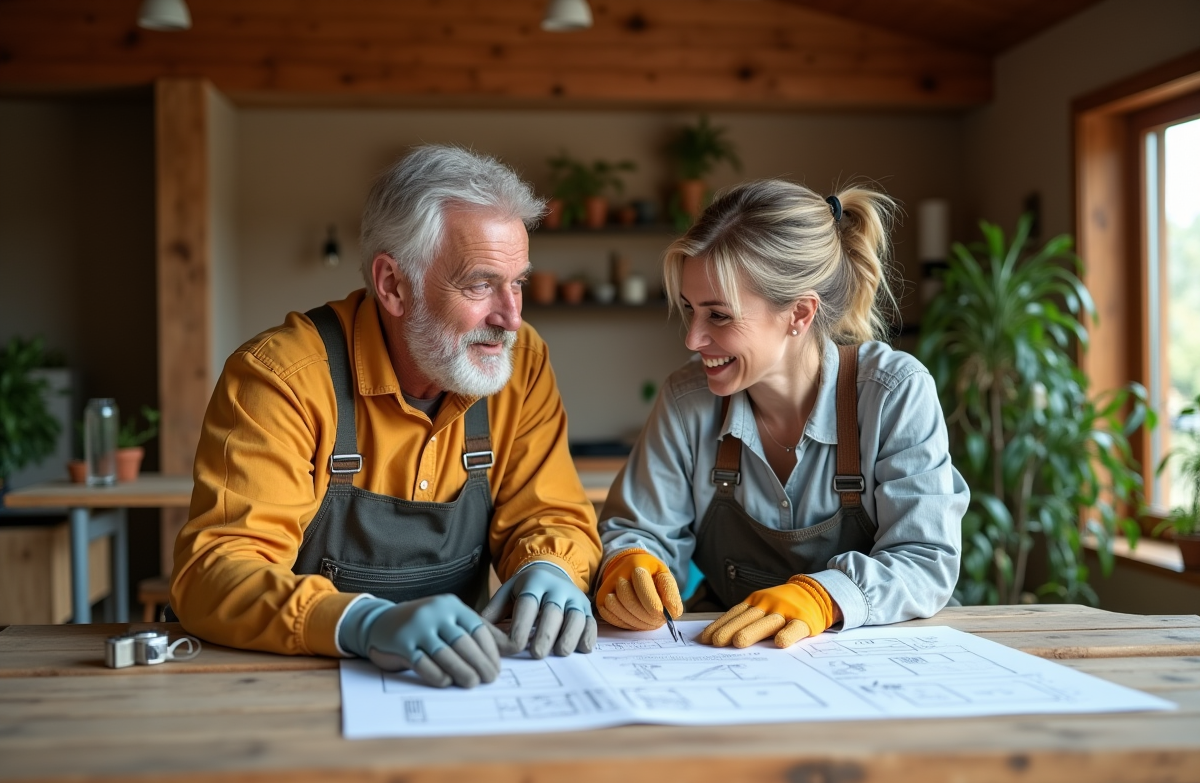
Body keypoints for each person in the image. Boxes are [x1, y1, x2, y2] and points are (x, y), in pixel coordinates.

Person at [171, 144, 601, 689]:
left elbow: (554, 514)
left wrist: (552, 566)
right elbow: (216, 572)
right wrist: (359, 622)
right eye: (480, 283)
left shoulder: (521, 364)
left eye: (517, 282)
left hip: (463, 684)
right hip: (298, 684)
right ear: (393, 285)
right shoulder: (281, 378)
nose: (511, 318)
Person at [595, 178, 968, 648]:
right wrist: (629, 561)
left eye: (719, 315)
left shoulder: (894, 393)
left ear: (800, 314)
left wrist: (823, 596)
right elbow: (638, 532)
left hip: (880, 659)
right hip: (731, 660)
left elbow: (925, 558)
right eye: (690, 310)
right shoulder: (685, 400)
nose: (692, 339)